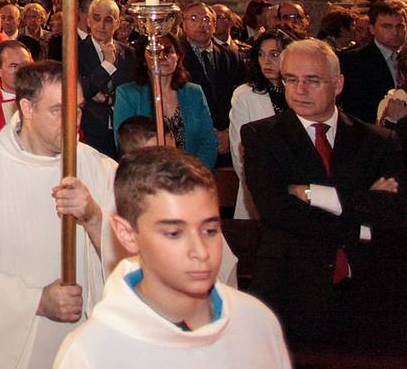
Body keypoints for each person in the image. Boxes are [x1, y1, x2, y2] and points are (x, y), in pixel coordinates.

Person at [0, 60, 118, 369]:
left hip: (87, 346)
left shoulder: (101, 169)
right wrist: (35, 301)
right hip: (18, 347)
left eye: (78, 109)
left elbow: (136, 265)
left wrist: (93, 219)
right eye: (59, 110)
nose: (73, 121)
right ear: (27, 108)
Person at [54, 148, 290, 368]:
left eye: (209, 230)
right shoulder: (92, 352)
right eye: (174, 233)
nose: (200, 251)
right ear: (127, 234)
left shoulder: (256, 322)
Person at [243, 38, 406, 345]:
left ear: (338, 83)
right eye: (291, 80)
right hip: (291, 291)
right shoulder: (262, 137)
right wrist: (363, 221)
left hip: (370, 296)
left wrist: (319, 195)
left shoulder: (377, 140)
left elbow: (397, 211)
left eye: (312, 81)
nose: (299, 90)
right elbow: (278, 212)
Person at [113, 34, 218, 170]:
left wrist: (193, 176)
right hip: (145, 176)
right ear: (143, 59)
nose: (162, 57)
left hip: (191, 177)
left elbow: (208, 142)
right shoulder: (127, 94)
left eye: (168, 51)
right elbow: (126, 145)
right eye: (154, 52)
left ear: (178, 56)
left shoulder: (194, 92)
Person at [229, 29, 295, 219]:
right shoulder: (245, 95)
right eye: (261, 54)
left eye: (274, 54)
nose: (266, 61)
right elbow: (238, 151)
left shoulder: (299, 92)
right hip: (260, 191)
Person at [179, 2, 242, 166]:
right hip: (192, 137)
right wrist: (208, 133)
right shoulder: (177, 57)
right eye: (194, 19)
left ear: (214, 25)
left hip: (226, 136)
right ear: (183, 24)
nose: (201, 24)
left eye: (207, 19)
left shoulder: (230, 56)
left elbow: (238, 97)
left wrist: (228, 132)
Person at [75, 0, 133, 160]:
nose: (101, 26)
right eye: (96, 18)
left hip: (124, 132)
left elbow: (130, 91)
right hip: (89, 131)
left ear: (117, 24)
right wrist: (107, 64)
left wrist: (107, 99)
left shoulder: (129, 53)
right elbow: (82, 90)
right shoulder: (73, 51)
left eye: (108, 20)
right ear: (88, 21)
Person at [338, 1, 406, 125]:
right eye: (387, 26)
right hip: (375, 135)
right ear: (372, 29)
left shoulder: (404, 57)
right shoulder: (354, 61)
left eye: (400, 26)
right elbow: (355, 112)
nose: (395, 32)